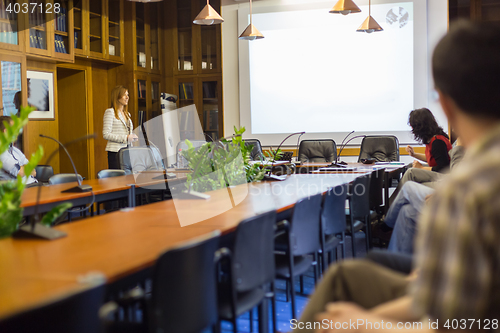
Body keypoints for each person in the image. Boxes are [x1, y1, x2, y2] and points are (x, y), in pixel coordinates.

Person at [292, 20, 500, 333]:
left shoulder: (466, 193)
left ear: (445, 101)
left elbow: (458, 323)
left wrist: (364, 325)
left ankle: (382, 225)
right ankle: (384, 226)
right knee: (347, 276)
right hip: (456, 297)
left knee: (342, 280)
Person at [384, 143, 465, 254]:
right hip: (452, 185)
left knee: (408, 187)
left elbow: (456, 174)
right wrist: (414, 155)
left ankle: (385, 225)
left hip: (456, 193)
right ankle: (396, 263)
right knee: (406, 211)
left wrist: (459, 147)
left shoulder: (440, 141)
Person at [389, 109, 452, 205]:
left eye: (413, 126)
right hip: (440, 174)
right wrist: (414, 154)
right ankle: (395, 203)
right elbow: (433, 159)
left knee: (411, 172)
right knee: (410, 166)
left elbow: (443, 167)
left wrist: (422, 168)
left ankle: (390, 206)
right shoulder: (434, 139)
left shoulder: (437, 141)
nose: (412, 129)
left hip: (445, 177)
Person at [103, 86, 138, 169]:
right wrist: (126, 138)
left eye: (128, 95)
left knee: (128, 178)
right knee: (118, 179)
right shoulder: (110, 112)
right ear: (117, 97)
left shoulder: (127, 114)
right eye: (124, 95)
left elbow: (128, 132)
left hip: (128, 151)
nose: (127, 97)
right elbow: (106, 134)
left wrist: (132, 136)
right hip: (116, 152)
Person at [0, 116, 37, 185]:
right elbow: (19, 172)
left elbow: (34, 170)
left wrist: (24, 169)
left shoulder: (15, 150)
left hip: (33, 184)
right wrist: (24, 169)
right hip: (19, 190)